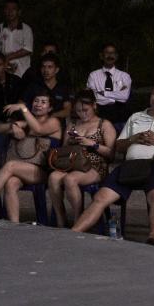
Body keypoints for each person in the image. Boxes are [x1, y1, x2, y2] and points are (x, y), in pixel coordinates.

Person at [71, 81, 154, 246]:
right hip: (130, 165)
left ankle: (153, 237)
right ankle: (74, 233)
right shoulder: (136, 116)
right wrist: (133, 139)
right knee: (101, 196)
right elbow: (119, 146)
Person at [0, 91, 62, 221]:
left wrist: (23, 108)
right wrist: (13, 126)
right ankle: (14, 225)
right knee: (10, 182)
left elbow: (39, 130)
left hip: (43, 171)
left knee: (10, 165)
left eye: (43, 102)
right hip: (24, 170)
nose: (38, 105)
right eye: (36, 101)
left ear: (50, 108)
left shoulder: (53, 122)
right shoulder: (25, 123)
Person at [46, 90, 118, 227]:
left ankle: (78, 220)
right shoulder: (73, 124)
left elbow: (111, 154)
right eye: (78, 111)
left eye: (85, 110)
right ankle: (61, 219)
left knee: (70, 179)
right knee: (53, 177)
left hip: (95, 165)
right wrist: (72, 141)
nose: (82, 114)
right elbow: (63, 148)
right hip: (72, 162)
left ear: (94, 106)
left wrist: (93, 144)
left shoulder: (104, 124)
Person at [86, 43, 133, 123]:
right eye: (107, 53)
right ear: (101, 56)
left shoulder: (124, 76)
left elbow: (124, 96)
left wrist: (103, 93)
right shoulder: (93, 75)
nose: (110, 56)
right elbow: (92, 96)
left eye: (113, 53)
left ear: (116, 56)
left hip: (119, 114)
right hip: (99, 113)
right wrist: (116, 95)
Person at [0, 0, 33, 76]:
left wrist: (8, 58)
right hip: (3, 71)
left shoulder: (26, 29)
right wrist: (5, 62)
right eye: (7, 9)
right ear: (4, 11)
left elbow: (28, 49)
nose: (10, 12)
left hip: (23, 71)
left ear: (19, 12)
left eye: (13, 9)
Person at [35, 53, 73, 122]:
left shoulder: (63, 88)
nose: (46, 70)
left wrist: (51, 116)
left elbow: (67, 110)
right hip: (37, 123)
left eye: (50, 67)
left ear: (56, 70)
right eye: (43, 67)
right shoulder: (34, 86)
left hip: (58, 125)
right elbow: (22, 103)